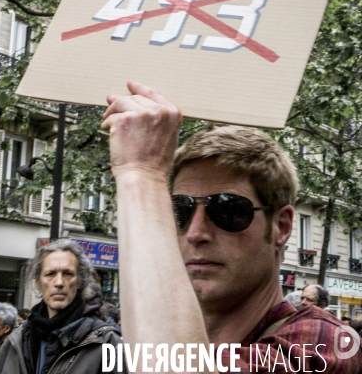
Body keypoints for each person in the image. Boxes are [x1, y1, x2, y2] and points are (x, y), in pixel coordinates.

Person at [103, 80, 362, 372]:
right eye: (179, 211)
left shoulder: (326, 343)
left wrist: (141, 173)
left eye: (227, 210)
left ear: (281, 226)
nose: (196, 232)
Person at [0, 239, 122, 374]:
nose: (59, 282)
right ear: (38, 282)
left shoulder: (107, 342)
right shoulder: (16, 341)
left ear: (79, 281)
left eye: (68, 274)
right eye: (50, 274)